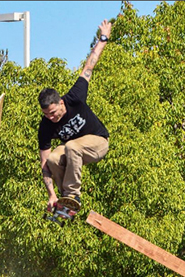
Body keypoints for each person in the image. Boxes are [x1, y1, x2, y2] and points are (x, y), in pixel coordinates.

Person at [38, 20, 112, 211]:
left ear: (61, 103)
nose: (51, 118)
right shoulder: (45, 125)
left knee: (71, 146)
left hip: (98, 143)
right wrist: (51, 194)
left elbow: (89, 66)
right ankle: (65, 201)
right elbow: (45, 164)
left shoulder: (75, 97)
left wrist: (103, 39)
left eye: (53, 113)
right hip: (75, 151)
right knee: (54, 158)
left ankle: (72, 194)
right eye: (46, 115)